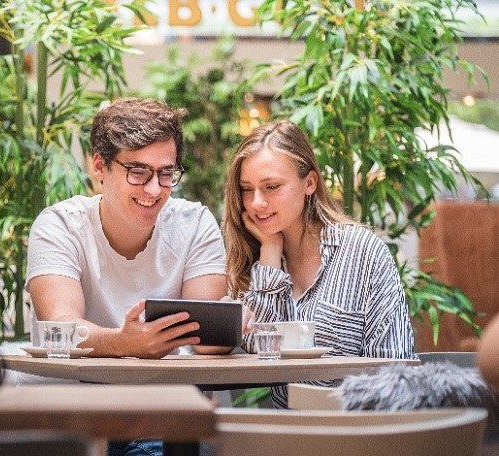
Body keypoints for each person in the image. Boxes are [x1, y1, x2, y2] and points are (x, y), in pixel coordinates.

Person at [27, 97, 240, 361]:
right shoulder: (60, 226)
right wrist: (121, 343)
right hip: (73, 395)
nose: (154, 189)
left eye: (166, 173)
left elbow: (206, 339)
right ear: (99, 167)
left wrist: (229, 327)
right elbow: (59, 328)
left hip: (168, 395)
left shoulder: (194, 224)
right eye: (137, 172)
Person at [223, 120, 416, 408]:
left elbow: (395, 367)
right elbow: (259, 349)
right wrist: (270, 253)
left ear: (309, 183)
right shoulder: (251, 257)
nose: (256, 203)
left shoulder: (362, 251)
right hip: (290, 436)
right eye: (246, 189)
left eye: (271, 187)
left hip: (359, 432)